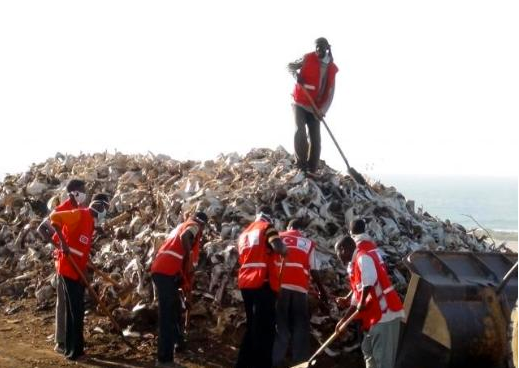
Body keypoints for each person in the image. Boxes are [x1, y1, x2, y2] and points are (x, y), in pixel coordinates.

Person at [334, 219, 405, 368]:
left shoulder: (362, 256)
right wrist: (343, 321)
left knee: (383, 361)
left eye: (337, 253)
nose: (338, 258)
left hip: (385, 314)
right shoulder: (358, 261)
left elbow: (370, 280)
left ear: (343, 249)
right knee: (368, 351)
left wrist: (361, 302)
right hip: (374, 317)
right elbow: (356, 298)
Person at [50, 193, 110, 361]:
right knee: (75, 310)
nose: (105, 212)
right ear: (98, 206)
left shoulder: (90, 223)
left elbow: (81, 250)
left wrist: (85, 274)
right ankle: (75, 352)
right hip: (67, 267)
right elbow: (55, 217)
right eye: (105, 208)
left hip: (77, 269)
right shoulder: (80, 213)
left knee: (75, 310)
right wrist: (62, 243)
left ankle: (72, 349)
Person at [150, 212, 208, 368]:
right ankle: (164, 360)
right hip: (166, 273)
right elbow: (185, 238)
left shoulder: (178, 227)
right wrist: (189, 256)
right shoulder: (194, 226)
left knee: (176, 309)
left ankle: (178, 343)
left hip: (164, 271)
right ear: (203, 225)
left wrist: (185, 288)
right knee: (167, 316)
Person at [37, 179, 87, 354]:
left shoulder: (80, 210)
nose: (84, 193)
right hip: (64, 262)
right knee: (64, 301)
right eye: (82, 190)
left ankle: (73, 339)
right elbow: (42, 228)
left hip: (77, 261)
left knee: (74, 303)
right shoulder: (62, 209)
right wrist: (59, 245)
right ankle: (61, 341)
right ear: (73, 192)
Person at [271, 218, 329, 367]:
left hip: (280, 287)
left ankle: (274, 360)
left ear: (288, 227)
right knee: (300, 326)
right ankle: (300, 362)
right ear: (301, 230)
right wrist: (322, 291)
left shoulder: (278, 237)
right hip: (299, 289)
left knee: (280, 324)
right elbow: (314, 270)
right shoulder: (308, 244)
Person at [235, 206, 287, 368]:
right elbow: (278, 247)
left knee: (252, 327)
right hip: (262, 285)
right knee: (266, 330)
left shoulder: (244, 234)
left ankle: (242, 364)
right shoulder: (267, 228)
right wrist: (284, 250)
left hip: (246, 284)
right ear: (269, 218)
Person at [288, 37, 339, 174]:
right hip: (300, 101)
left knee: (316, 139)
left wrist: (322, 111)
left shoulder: (331, 68)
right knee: (300, 130)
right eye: (316, 47)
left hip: (316, 107)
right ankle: (301, 166)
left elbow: (330, 93)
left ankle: (312, 169)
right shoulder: (306, 58)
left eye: (321, 47)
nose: (318, 50)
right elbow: (290, 66)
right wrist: (295, 76)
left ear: (326, 49)